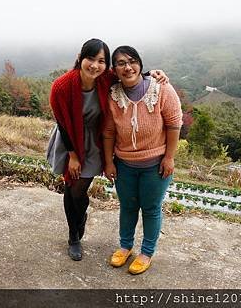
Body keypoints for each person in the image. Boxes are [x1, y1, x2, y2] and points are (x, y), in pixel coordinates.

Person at [47, 39, 168, 261]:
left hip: (94, 141)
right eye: (90, 59)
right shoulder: (62, 86)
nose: (95, 65)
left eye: (101, 61)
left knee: (81, 187)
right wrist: (72, 155)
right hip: (70, 140)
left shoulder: (105, 79)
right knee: (72, 186)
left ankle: (79, 216)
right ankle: (74, 237)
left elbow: (130, 74)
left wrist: (154, 74)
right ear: (80, 58)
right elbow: (62, 123)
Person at [103, 45, 182, 274]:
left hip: (155, 165)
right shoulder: (113, 95)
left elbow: (174, 124)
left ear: (140, 64)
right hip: (124, 164)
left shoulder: (161, 89)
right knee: (127, 206)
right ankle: (125, 246)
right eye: (120, 63)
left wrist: (169, 157)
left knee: (150, 208)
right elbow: (108, 132)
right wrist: (109, 162)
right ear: (114, 69)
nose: (128, 67)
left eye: (132, 61)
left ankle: (146, 252)